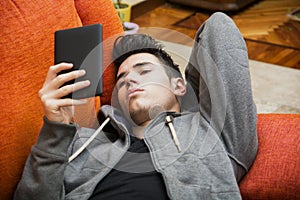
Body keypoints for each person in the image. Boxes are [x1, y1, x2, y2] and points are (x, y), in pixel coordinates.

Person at [14, 12, 258, 200]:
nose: (129, 79)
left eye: (144, 71)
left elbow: (218, 28)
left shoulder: (208, 133)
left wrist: (189, 94)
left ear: (179, 86)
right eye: (121, 79)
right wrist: (55, 129)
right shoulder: (84, 143)